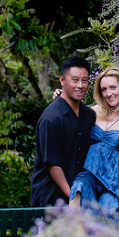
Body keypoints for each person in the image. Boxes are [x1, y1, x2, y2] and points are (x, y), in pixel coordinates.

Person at [68, 65, 119, 226]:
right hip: (92, 173)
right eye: (104, 89)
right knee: (79, 186)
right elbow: (70, 113)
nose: (108, 93)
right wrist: (60, 95)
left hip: (117, 182)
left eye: (113, 87)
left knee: (107, 207)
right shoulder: (96, 111)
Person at [31, 57, 96, 208]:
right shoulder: (51, 118)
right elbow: (52, 164)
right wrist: (73, 196)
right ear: (62, 80)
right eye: (75, 80)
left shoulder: (89, 115)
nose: (80, 85)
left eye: (85, 80)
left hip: (81, 199)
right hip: (51, 200)